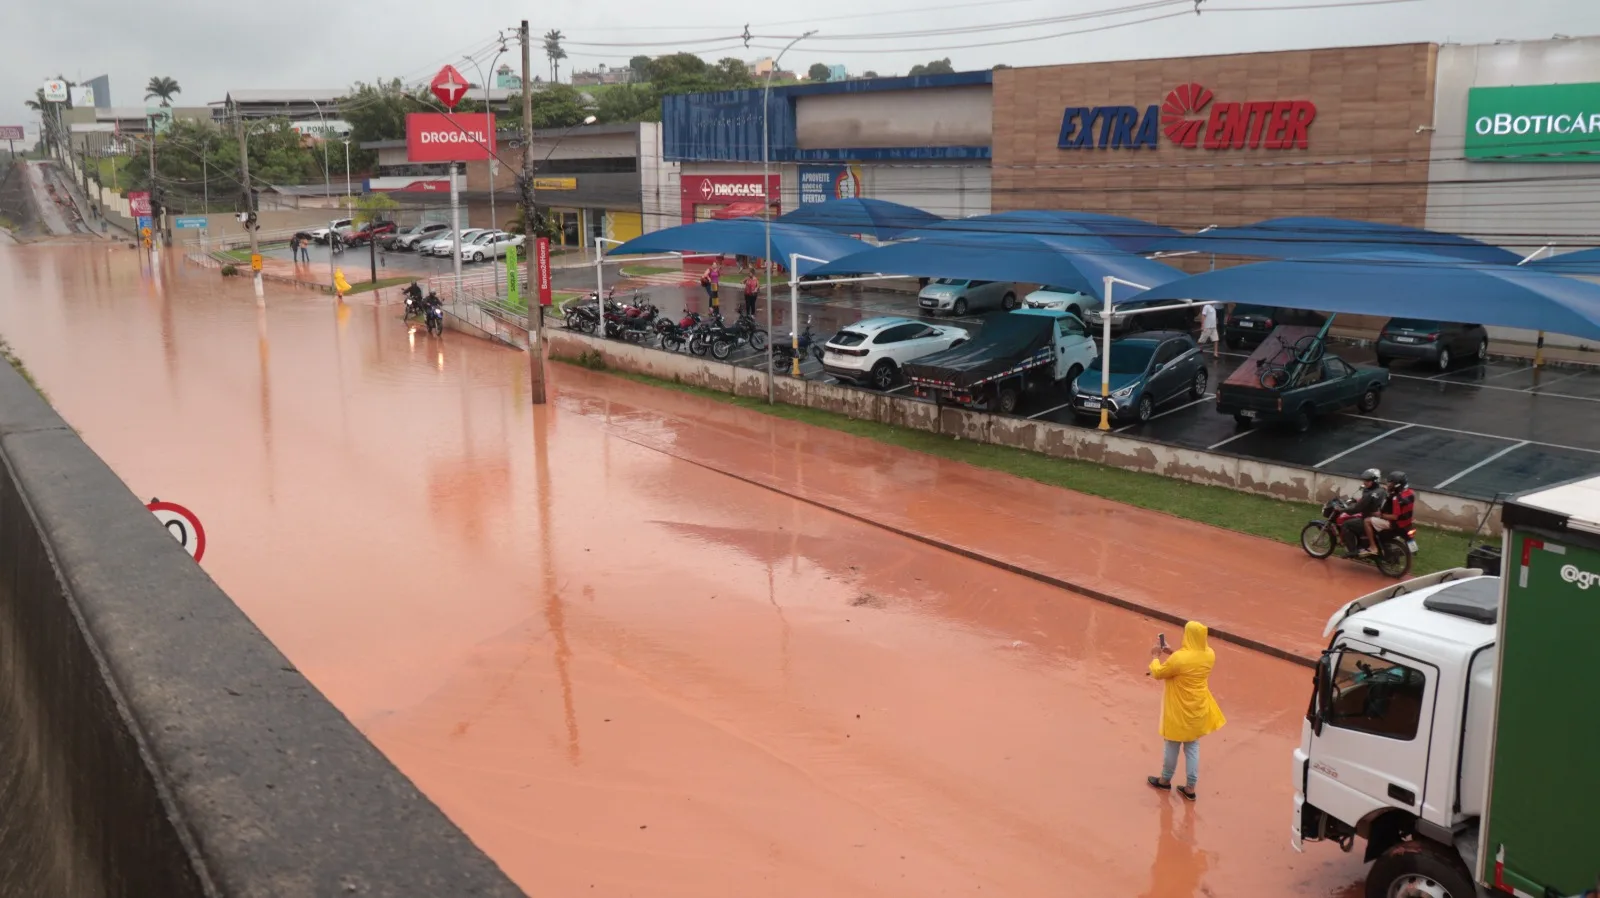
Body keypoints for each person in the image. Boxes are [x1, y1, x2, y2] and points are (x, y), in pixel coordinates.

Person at [1145, 621, 1226, 801]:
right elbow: (1188, 662)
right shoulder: (1209, 655)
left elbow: (1158, 673)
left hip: (1178, 710)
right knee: (1192, 746)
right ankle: (1190, 787)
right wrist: (1172, 652)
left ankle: (1165, 779)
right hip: (1197, 708)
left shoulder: (1180, 659)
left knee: (1172, 744)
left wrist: (1155, 656)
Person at [1364, 470, 1415, 554]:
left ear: (1397, 484)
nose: (1388, 484)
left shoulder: (1396, 498)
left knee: (1367, 521)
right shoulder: (1410, 493)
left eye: (1391, 483)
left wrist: (1381, 515)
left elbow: (1395, 516)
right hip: (1407, 523)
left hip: (1395, 524)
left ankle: (1373, 547)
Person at [1342, 468, 1388, 557]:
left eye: (1368, 480)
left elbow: (1357, 509)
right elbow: (1367, 503)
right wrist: (1357, 500)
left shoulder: (1370, 494)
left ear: (1375, 480)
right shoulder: (1381, 490)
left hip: (1369, 519)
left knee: (1346, 524)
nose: (1365, 482)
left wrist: (1343, 509)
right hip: (1378, 518)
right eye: (1364, 480)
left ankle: (1353, 551)